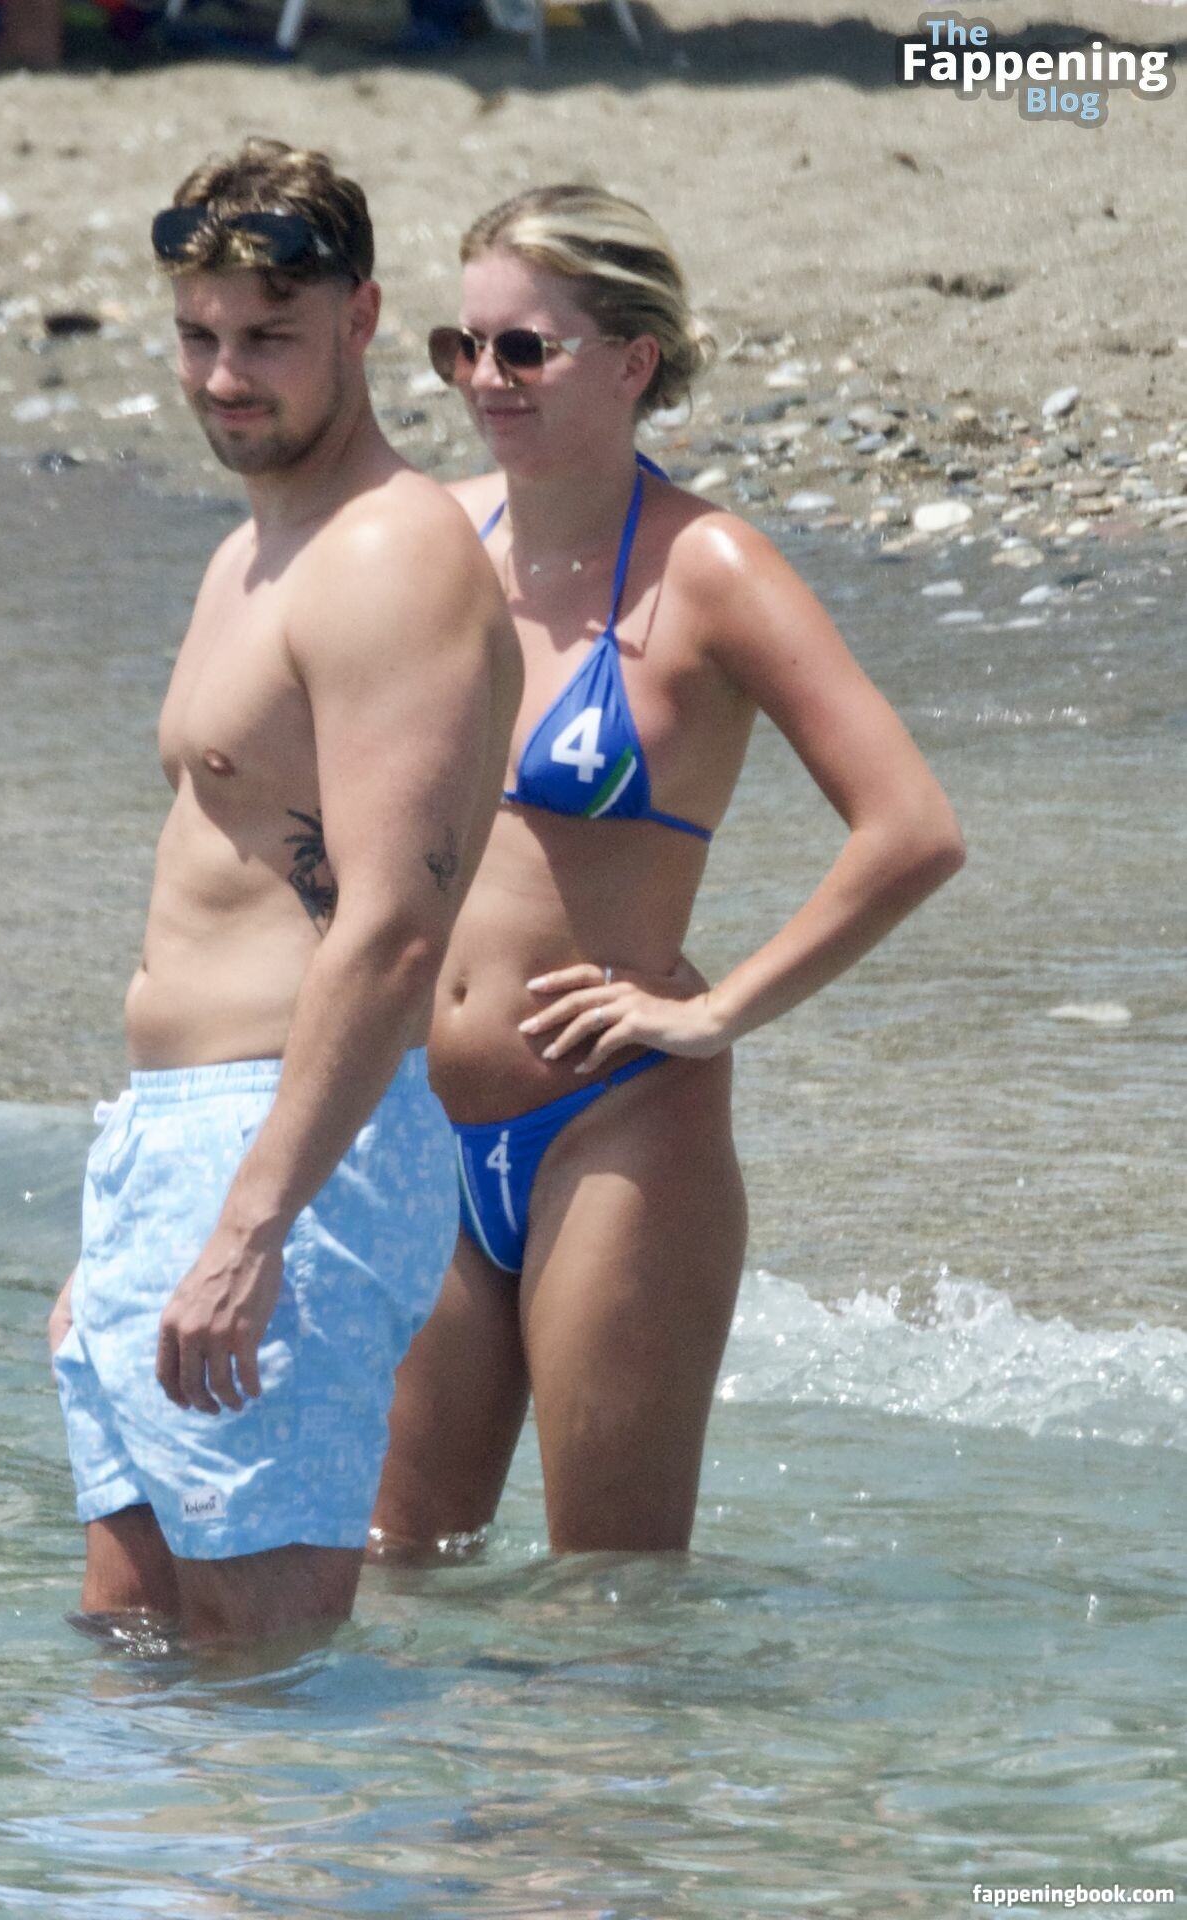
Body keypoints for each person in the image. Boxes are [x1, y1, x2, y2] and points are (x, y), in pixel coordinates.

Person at [370, 185, 966, 1557]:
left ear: (633, 361)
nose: (485, 379)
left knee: (614, 1598)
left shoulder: (711, 570)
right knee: (398, 1576)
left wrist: (717, 1011)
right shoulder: (429, 545)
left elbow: (911, 829)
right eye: (462, 347)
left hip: (614, 1127)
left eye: (526, 348)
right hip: (416, 1122)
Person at [46, 138, 520, 1650]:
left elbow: (393, 930)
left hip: (290, 1153)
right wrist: (123, 1240)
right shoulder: (253, 554)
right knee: (134, 1657)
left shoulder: (391, 558)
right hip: (176, 1144)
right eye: (198, 336)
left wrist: (250, 1227)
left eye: (268, 337)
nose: (224, 377)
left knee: (260, 1681)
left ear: (362, 318)